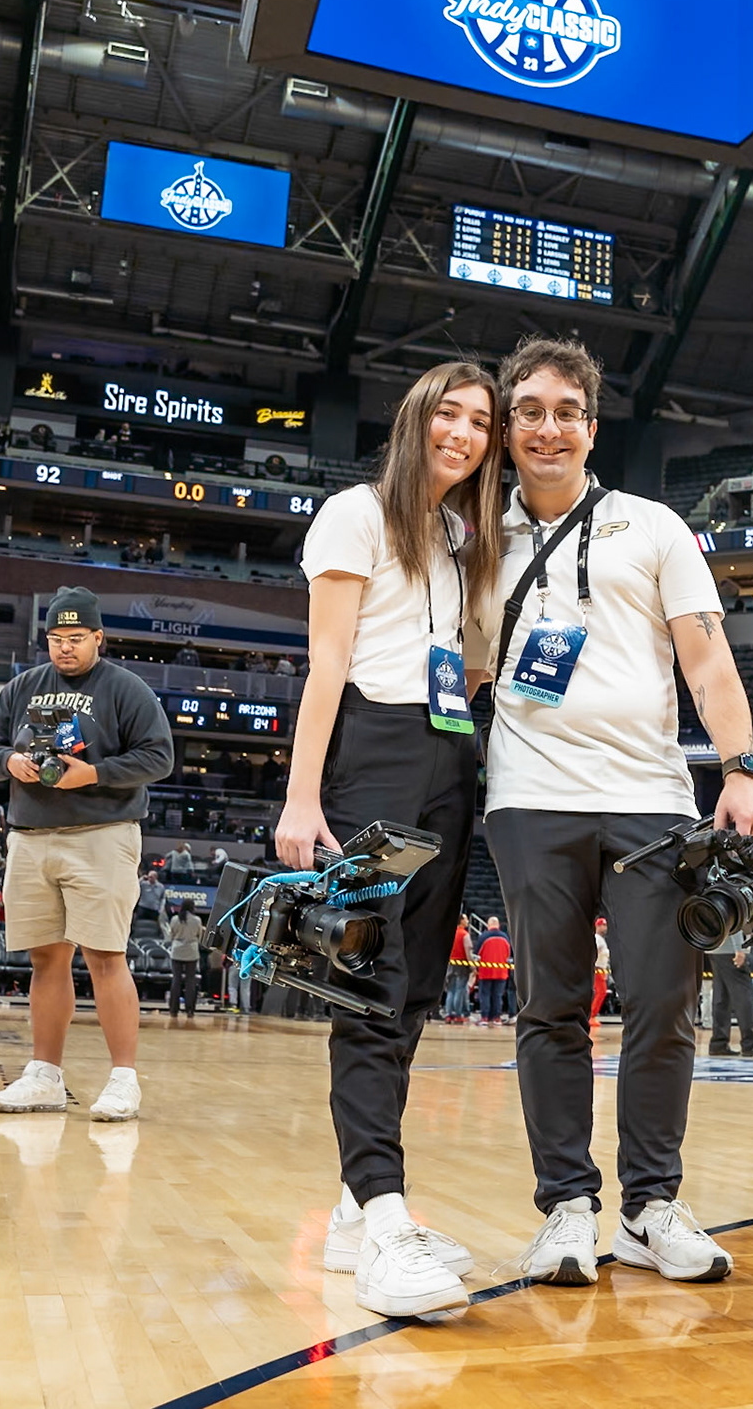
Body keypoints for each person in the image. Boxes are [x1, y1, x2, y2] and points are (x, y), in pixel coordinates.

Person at [482, 336, 753, 1289]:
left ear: (591, 427)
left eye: (566, 411)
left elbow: (708, 660)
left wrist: (742, 769)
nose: (549, 427)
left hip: (650, 801)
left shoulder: (652, 526)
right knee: (550, 1008)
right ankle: (566, 1206)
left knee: (663, 1004)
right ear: (509, 426)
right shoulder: (475, 534)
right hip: (528, 798)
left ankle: (650, 1207)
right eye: (530, 411)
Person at [271, 360, 503, 1319]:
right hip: (372, 750)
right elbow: (326, 665)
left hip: (451, 756)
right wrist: (300, 797)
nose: (463, 431)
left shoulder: (460, 537)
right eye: (448, 412)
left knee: (408, 997)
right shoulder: (353, 514)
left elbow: (474, 667)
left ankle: (356, 1213)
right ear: (415, 419)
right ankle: (386, 1216)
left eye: (480, 421)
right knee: (367, 992)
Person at [0, 586, 174, 1123]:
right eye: (56, 639)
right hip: (32, 836)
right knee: (46, 958)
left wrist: (96, 774)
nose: (65, 648)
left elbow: (159, 757)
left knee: (106, 956)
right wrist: (8, 763)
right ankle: (44, 1075)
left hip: (102, 834)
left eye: (76, 639)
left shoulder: (126, 689)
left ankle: (123, 1080)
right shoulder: (22, 687)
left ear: (98, 638)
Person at [708, 932, 753, 1057]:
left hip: (715, 947)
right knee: (744, 995)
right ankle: (749, 1043)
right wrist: (739, 949)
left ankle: (718, 1043)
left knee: (721, 997)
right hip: (732, 949)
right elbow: (735, 922)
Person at [164, 901, 204, 1018]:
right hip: (191, 951)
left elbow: (171, 936)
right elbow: (199, 936)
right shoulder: (197, 920)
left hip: (177, 951)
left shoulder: (175, 919)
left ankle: (173, 1009)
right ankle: (190, 1010)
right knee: (190, 981)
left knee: (176, 980)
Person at [476, 918, 511, 1023]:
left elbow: (477, 954)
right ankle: (496, 1017)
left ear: (488, 925)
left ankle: (485, 1017)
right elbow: (508, 955)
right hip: (501, 972)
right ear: (498, 925)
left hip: (485, 971)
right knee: (497, 995)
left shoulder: (483, 937)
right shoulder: (505, 937)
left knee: (485, 995)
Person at [444, 921, 474, 1023]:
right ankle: (458, 1014)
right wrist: (472, 966)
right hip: (462, 964)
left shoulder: (450, 933)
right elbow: (468, 951)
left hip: (450, 964)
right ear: (461, 921)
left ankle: (448, 1014)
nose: (468, 921)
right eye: (466, 919)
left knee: (450, 990)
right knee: (459, 990)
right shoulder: (465, 935)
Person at [591, 917, 611, 1028]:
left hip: (601, 970)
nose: (605, 927)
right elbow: (595, 951)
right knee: (601, 992)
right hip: (597, 969)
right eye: (602, 925)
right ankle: (592, 1015)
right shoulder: (597, 938)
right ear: (597, 926)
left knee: (601, 992)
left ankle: (592, 1015)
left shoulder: (602, 939)